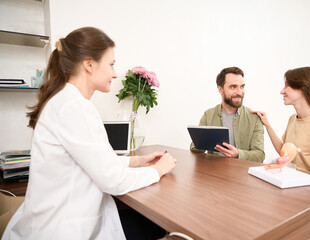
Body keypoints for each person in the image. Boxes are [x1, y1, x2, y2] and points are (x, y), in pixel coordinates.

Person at [3, 27, 176, 240]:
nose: (114, 73)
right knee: (157, 227)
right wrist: (158, 170)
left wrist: (135, 161)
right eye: (111, 64)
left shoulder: (65, 101)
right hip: (63, 230)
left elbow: (90, 162)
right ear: (89, 64)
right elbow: (113, 181)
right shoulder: (74, 107)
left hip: (55, 221)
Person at [253, 66, 310, 176]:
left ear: (303, 88)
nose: (282, 91)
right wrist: (267, 124)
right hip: (295, 182)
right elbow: (284, 151)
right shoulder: (293, 118)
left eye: (287, 86)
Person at [190, 67, 265, 162]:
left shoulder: (254, 118)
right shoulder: (208, 115)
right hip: (215, 172)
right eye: (233, 87)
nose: (239, 92)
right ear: (220, 90)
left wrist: (238, 154)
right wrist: (199, 143)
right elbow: (194, 148)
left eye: (242, 87)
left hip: (242, 174)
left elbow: (260, 155)